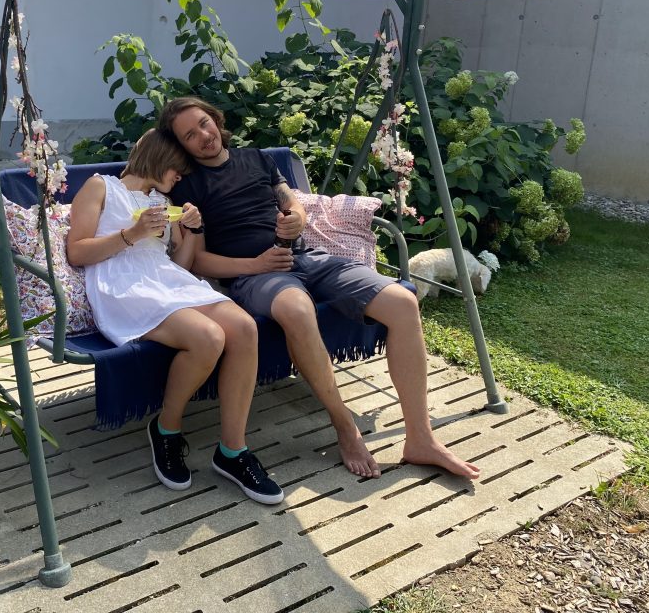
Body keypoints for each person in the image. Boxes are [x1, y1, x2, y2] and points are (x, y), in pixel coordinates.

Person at [158, 96, 481, 481]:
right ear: (182, 146)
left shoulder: (257, 158)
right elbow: (196, 260)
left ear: (215, 119)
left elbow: (291, 202)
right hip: (254, 276)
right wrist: (255, 265)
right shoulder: (188, 186)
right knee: (297, 309)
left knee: (402, 301)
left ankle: (420, 439)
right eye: (189, 135)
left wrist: (296, 217)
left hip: (306, 257)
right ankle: (345, 427)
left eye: (203, 123)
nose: (203, 136)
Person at [66, 129, 284, 504]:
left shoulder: (162, 202)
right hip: (122, 286)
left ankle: (232, 450)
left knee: (244, 328)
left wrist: (193, 231)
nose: (180, 177)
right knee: (208, 337)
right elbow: (77, 252)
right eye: (178, 168)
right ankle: (167, 428)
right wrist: (132, 233)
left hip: (166, 280)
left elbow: (180, 265)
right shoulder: (101, 187)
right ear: (160, 157)